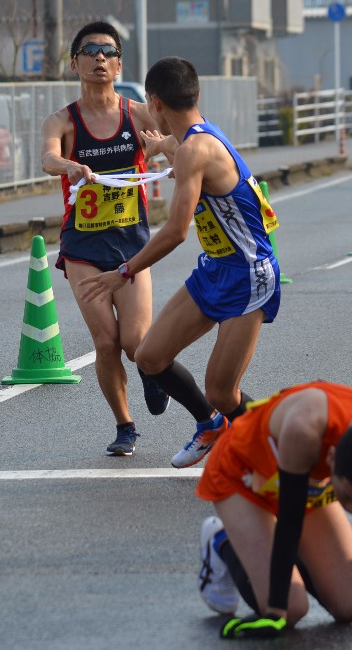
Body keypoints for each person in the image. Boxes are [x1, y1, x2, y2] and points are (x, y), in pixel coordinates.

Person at [79, 56, 281, 468]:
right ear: (196, 94)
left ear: (153, 102)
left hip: (249, 273)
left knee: (224, 392)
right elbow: (177, 147)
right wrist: (159, 146)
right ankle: (210, 425)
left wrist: (124, 272)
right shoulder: (195, 139)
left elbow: (176, 231)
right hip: (215, 269)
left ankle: (283, 443)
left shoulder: (196, 150)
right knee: (149, 357)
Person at [191, 381, 352, 638]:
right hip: (242, 473)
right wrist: (275, 612)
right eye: (347, 497)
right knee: (291, 610)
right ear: (331, 458)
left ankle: (258, 544)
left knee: (351, 606)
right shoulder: (304, 429)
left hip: (302, 480)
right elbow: (290, 520)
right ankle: (222, 540)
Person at [40, 21, 170, 457]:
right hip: (83, 247)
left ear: (118, 64)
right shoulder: (63, 120)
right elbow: (47, 156)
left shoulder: (137, 114)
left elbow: (184, 139)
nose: (99, 58)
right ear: (74, 62)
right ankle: (125, 426)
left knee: (137, 343)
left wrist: (163, 147)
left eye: (108, 51)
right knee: (105, 341)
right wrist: (68, 167)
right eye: (90, 50)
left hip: (132, 244)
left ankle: (152, 372)